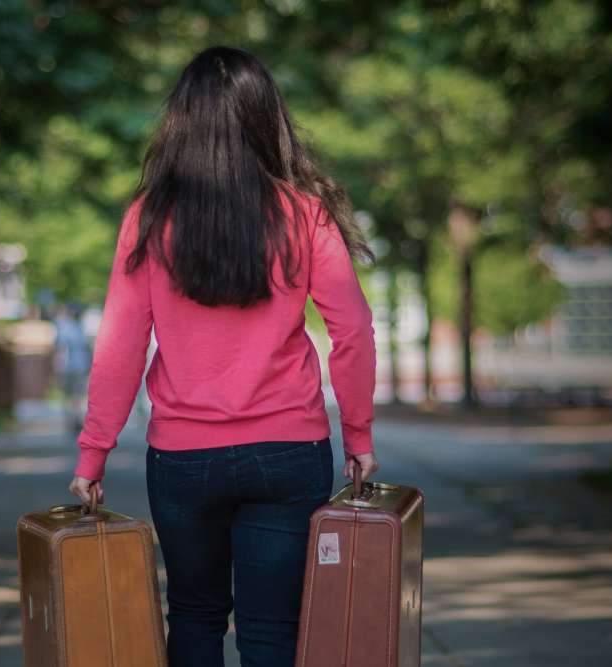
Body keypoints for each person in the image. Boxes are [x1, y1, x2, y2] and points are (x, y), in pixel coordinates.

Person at [69, 46, 378, 667]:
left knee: (194, 615)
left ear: (181, 122)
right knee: (271, 632)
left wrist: (93, 452)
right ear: (267, 119)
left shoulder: (150, 219)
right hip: (288, 454)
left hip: (184, 459)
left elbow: (121, 345)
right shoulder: (305, 214)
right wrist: (359, 435)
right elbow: (354, 329)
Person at [52, 303, 92, 431]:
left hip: (69, 366)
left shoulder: (66, 328)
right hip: (77, 366)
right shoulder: (80, 329)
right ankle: (74, 418)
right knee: (75, 395)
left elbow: (59, 348)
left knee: (70, 395)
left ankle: (71, 419)